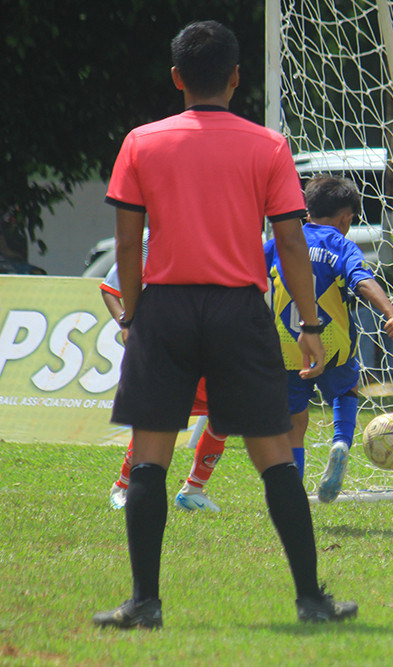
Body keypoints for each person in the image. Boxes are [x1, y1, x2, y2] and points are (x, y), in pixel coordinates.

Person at [93, 21, 355, 629]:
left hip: (165, 307)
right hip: (240, 311)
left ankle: (144, 604)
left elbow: (128, 244)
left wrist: (136, 313)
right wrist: (310, 323)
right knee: (274, 459)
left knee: (151, 458)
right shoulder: (268, 146)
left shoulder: (140, 141)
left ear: (178, 78)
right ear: (236, 79)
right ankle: (312, 601)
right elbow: (290, 241)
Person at [265, 175, 393, 502]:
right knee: (345, 390)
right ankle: (341, 442)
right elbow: (362, 280)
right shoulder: (340, 244)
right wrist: (390, 312)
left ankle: (291, 498)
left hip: (287, 346)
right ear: (345, 218)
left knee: (294, 425)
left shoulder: (279, 242)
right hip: (332, 344)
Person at [101, 253, 229, 513]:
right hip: (165, 346)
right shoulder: (149, 240)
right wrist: (126, 323)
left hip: (212, 343)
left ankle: (193, 490)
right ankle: (123, 486)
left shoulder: (220, 234)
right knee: (158, 419)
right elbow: (109, 288)